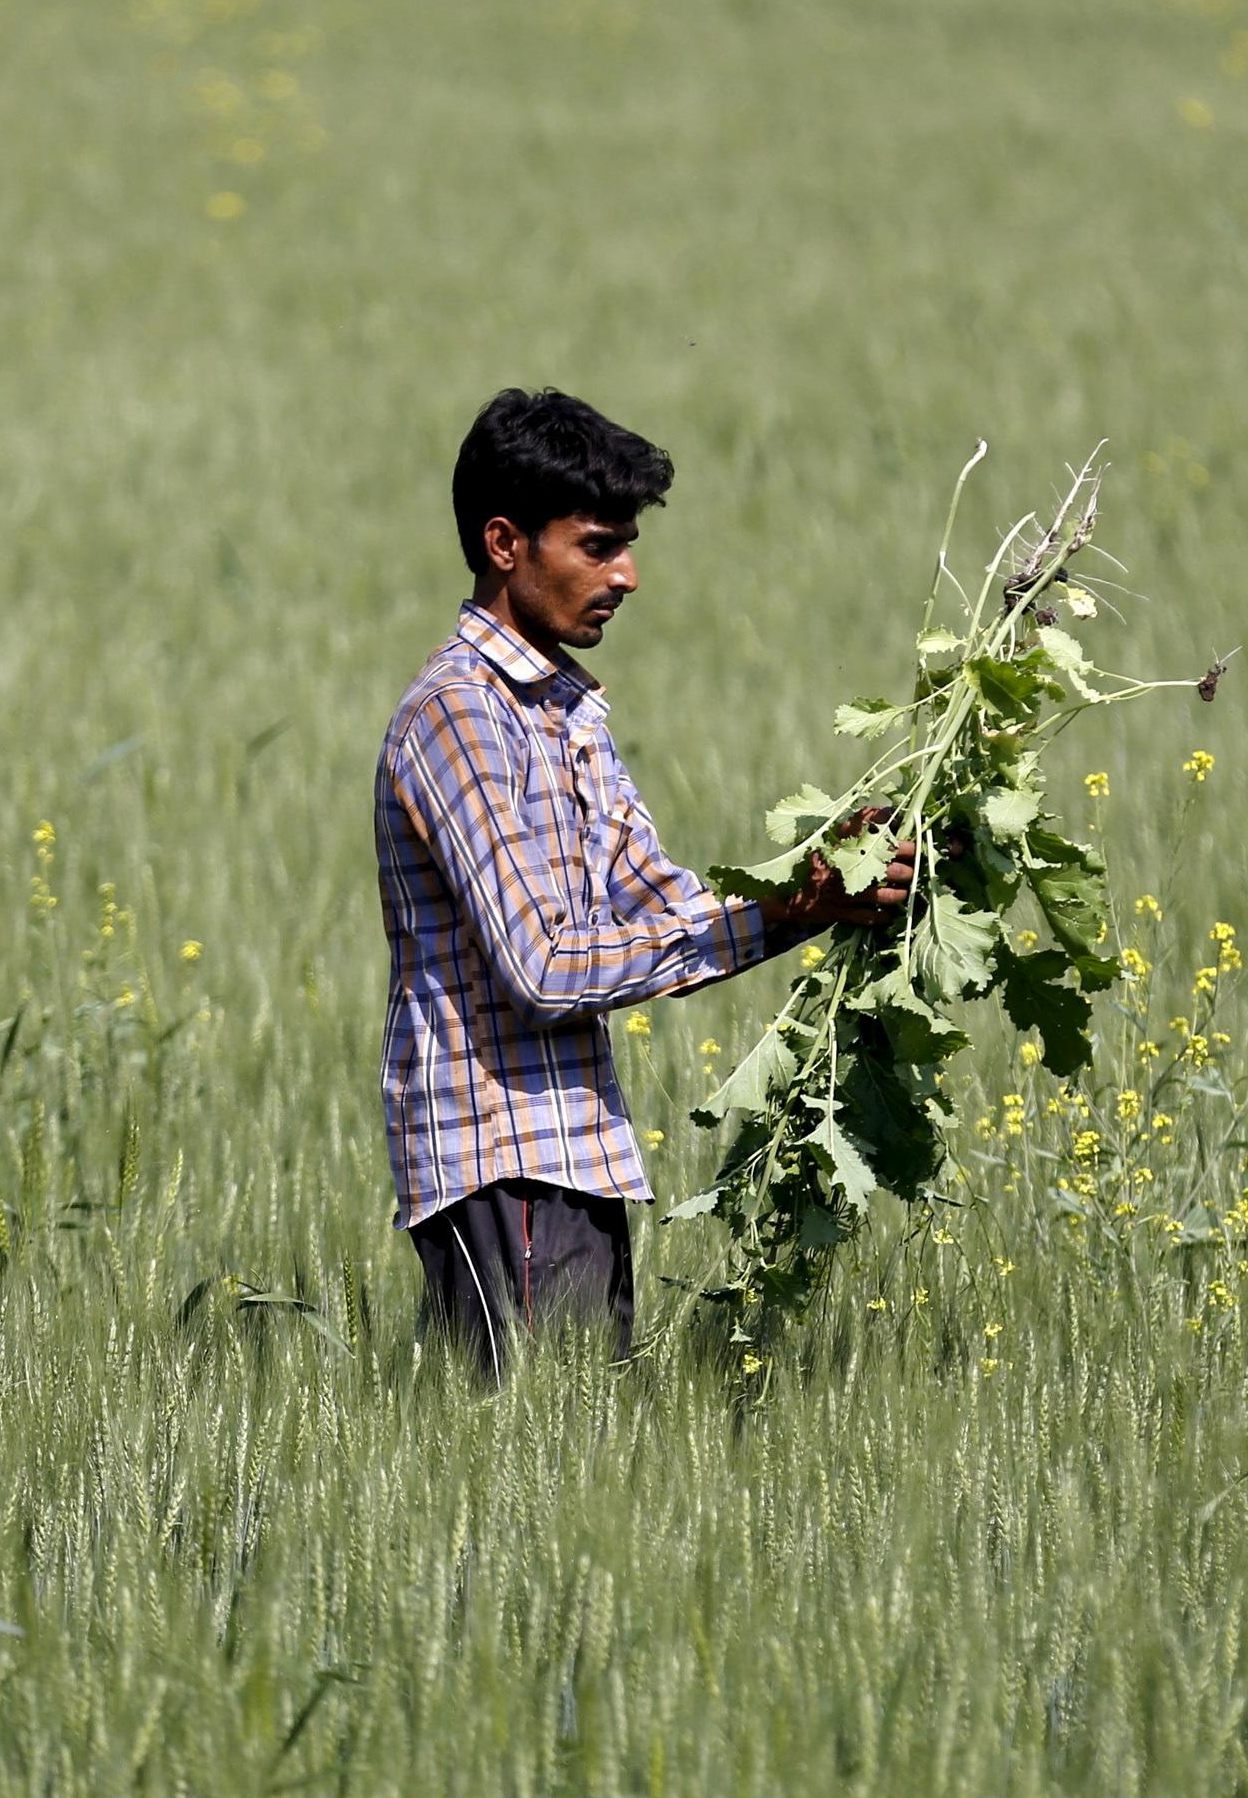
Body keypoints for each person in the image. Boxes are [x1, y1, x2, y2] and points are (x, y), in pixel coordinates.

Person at [374, 387, 910, 1375]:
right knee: (534, 1448)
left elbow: (664, 907)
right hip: (503, 1161)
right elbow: (543, 969)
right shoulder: (461, 716)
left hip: (568, 1157)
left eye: (627, 545)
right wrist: (792, 902)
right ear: (504, 544)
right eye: (597, 546)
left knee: (568, 1442)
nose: (627, 574)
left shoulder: (562, 717)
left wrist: (827, 881)